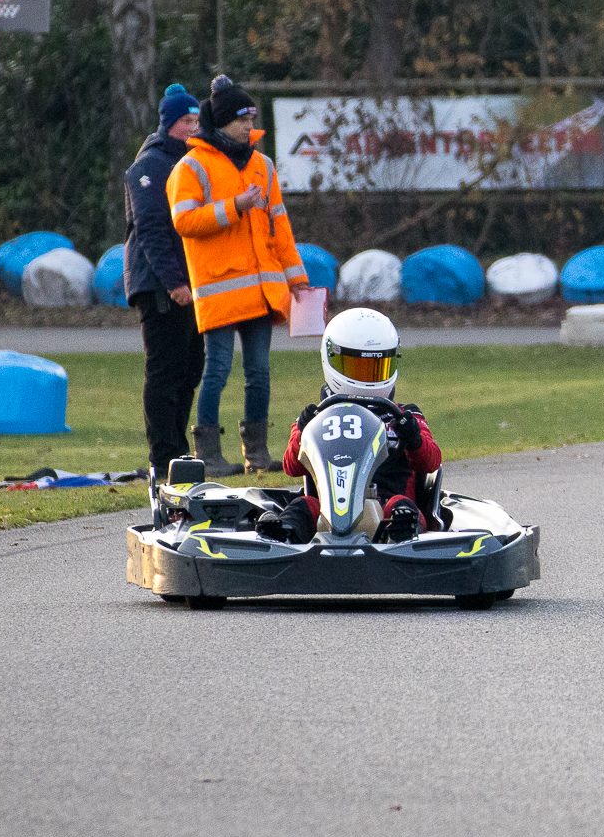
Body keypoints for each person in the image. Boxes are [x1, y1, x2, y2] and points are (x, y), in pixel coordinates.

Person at [167, 74, 309, 475]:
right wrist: (235, 206)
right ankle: (209, 455)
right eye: (242, 119)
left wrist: (297, 278)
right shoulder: (191, 167)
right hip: (219, 290)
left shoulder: (263, 165)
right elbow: (184, 221)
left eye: (251, 118)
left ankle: (257, 454)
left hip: (262, 290)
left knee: (259, 374)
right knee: (216, 371)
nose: (250, 126)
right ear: (223, 121)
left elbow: (280, 226)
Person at [258, 308, 442, 545]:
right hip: (328, 511)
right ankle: (282, 537)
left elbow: (431, 463)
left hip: (390, 508)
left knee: (400, 505)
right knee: (304, 506)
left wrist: (414, 439)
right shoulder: (316, 418)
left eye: (377, 368)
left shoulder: (406, 416)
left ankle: (404, 536)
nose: (368, 379)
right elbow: (291, 467)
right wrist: (302, 433)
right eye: (358, 368)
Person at [123, 83, 206, 478]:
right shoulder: (150, 166)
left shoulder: (191, 163)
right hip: (159, 284)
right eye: (187, 121)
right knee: (165, 370)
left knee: (191, 368)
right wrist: (174, 282)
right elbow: (152, 229)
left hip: (191, 283)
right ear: (170, 124)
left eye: (197, 120)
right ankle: (162, 455)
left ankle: (178, 449)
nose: (195, 127)